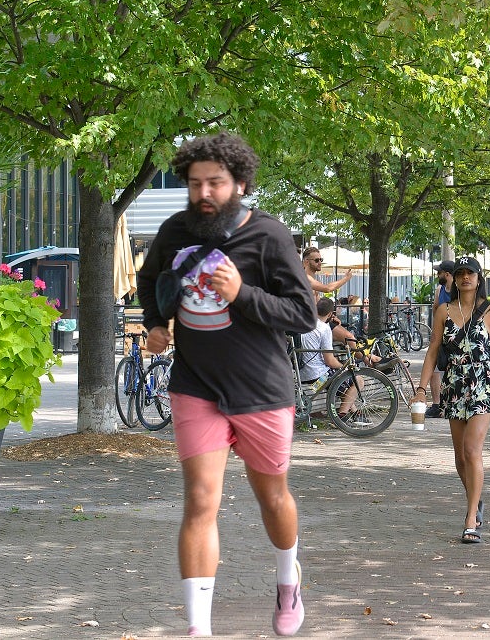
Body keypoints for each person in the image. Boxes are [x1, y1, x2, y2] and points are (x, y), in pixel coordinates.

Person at [135, 131, 317, 638]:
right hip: (196, 386)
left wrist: (241, 294)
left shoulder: (270, 236)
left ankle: (288, 580)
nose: (204, 194)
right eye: (195, 184)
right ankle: (199, 630)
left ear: (238, 183)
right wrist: (154, 322)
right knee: (199, 501)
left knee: (273, 498)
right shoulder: (175, 230)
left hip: (261, 389)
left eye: (215, 182)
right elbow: (150, 281)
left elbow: (302, 314)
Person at [414, 256, 490, 543]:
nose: (466, 277)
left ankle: (470, 521)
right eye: (460, 273)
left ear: (480, 279)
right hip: (454, 385)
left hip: (484, 384)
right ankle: (475, 500)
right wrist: (421, 388)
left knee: (471, 450)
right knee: (459, 457)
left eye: (471, 273)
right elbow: (432, 351)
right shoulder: (443, 310)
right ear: (453, 279)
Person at [424, 260, 458, 418]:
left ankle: (451, 403)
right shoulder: (440, 289)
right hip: (441, 335)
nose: (438, 275)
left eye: (440, 272)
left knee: (453, 369)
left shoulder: (459, 290)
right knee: (435, 368)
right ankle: (437, 404)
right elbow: (436, 308)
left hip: (456, 336)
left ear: (448, 274)